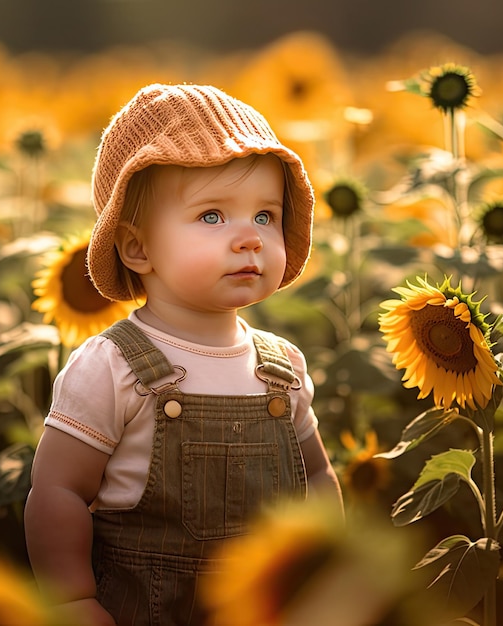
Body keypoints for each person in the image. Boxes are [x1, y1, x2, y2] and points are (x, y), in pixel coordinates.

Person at [24, 83, 344, 626]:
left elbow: (316, 479)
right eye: (213, 216)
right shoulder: (112, 366)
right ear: (137, 247)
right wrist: (70, 599)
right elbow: (57, 490)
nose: (249, 238)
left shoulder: (282, 368)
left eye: (265, 216)